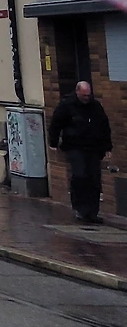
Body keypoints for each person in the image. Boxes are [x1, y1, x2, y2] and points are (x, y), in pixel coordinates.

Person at [48, 80, 113, 222]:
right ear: (77, 92)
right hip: (75, 146)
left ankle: (92, 212)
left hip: (93, 147)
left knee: (94, 179)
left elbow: (104, 126)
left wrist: (107, 147)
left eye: (88, 95)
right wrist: (53, 142)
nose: (86, 98)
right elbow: (56, 123)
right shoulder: (67, 105)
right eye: (84, 95)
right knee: (80, 175)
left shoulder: (95, 106)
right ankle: (80, 208)